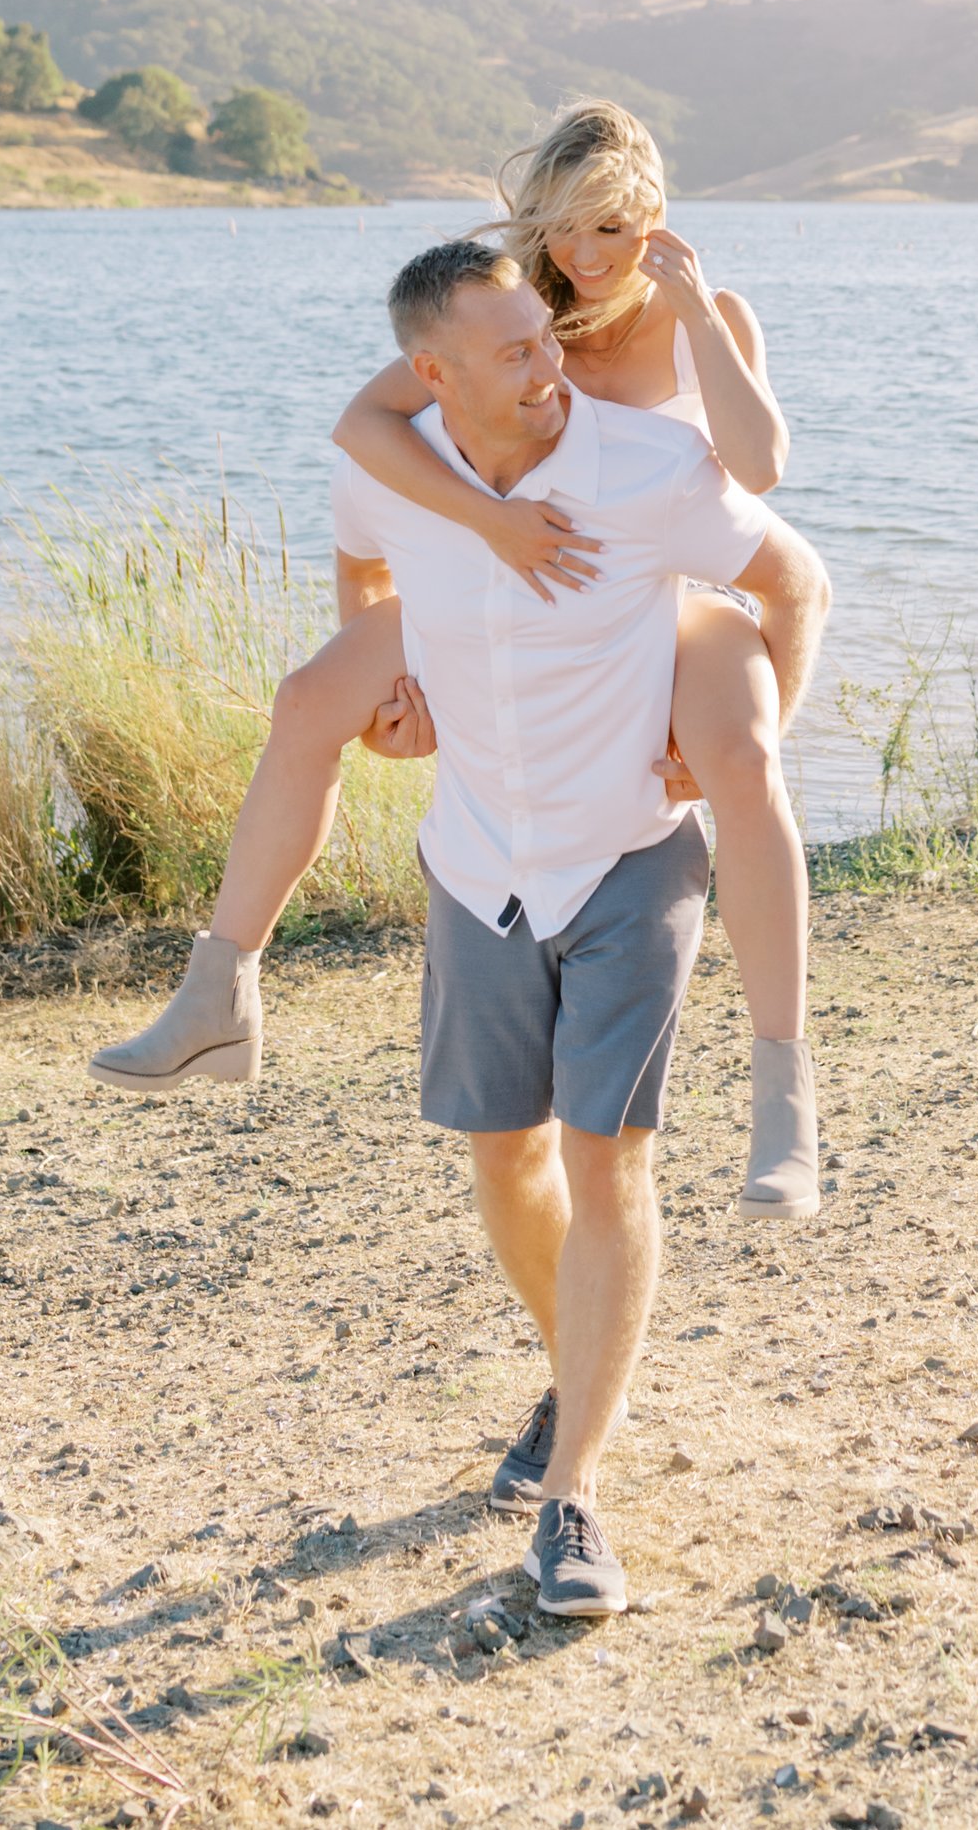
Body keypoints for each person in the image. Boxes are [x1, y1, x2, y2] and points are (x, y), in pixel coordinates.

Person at [92, 105, 828, 1217]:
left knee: (740, 758)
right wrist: (481, 542)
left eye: (609, 230)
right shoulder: (523, 317)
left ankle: (782, 1092)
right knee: (305, 702)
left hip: (666, 592)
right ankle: (219, 991)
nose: (582, 258)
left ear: (655, 218)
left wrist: (686, 304)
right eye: (562, 231)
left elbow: (761, 470)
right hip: (518, 575)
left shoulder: (706, 315)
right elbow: (365, 430)